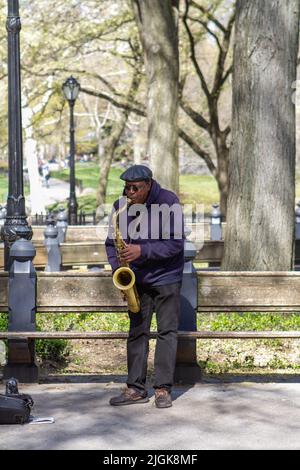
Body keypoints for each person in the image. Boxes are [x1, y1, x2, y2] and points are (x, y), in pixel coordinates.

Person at [105, 164, 184, 408]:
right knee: (137, 333)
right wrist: (119, 271)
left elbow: (176, 244)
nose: (129, 193)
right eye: (126, 188)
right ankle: (136, 388)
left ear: (148, 184)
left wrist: (142, 250)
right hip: (136, 280)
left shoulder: (169, 202)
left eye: (135, 188)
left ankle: (162, 389)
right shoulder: (121, 207)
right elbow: (111, 244)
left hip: (166, 277)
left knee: (166, 332)